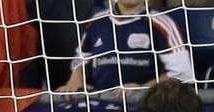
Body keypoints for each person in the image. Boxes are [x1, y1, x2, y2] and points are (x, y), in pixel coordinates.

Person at [56, 0, 193, 97]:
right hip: (100, 105)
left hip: (147, 106)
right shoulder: (96, 21)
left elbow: (183, 73)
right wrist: (75, 80)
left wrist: (143, 88)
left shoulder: (161, 23)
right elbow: (79, 60)